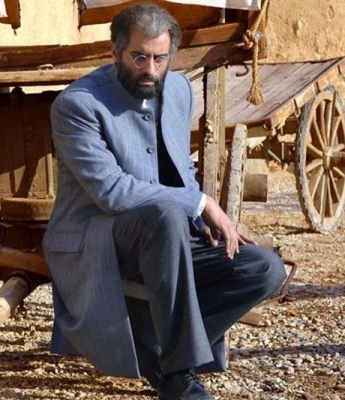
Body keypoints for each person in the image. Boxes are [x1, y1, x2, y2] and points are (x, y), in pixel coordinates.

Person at [43, 3, 286, 399]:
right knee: (167, 215)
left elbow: (180, 168)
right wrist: (200, 203)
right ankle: (178, 377)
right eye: (139, 57)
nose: (151, 70)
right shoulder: (77, 105)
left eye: (160, 58)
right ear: (115, 51)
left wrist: (199, 220)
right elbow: (112, 192)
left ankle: (162, 353)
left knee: (263, 268)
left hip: (168, 235)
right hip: (99, 239)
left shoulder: (178, 90)